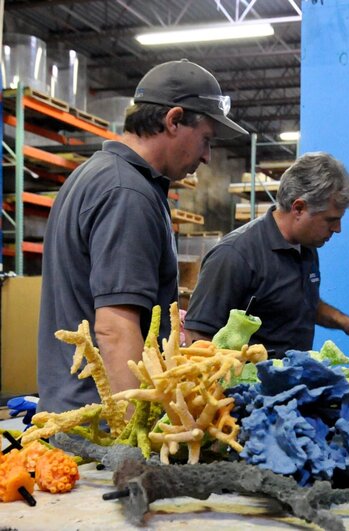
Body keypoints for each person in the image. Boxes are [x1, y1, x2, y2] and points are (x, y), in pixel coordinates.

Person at [37, 59, 248, 413]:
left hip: (76, 408)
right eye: (206, 140)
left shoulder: (95, 174)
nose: (208, 157)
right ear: (174, 120)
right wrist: (137, 441)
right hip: (104, 423)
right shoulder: (127, 193)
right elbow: (115, 329)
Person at [184, 152, 349, 356]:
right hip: (247, 386)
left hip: (294, 383)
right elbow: (197, 335)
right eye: (330, 220)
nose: (337, 229)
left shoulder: (306, 247)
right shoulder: (235, 255)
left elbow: (302, 303)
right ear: (299, 208)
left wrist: (347, 323)